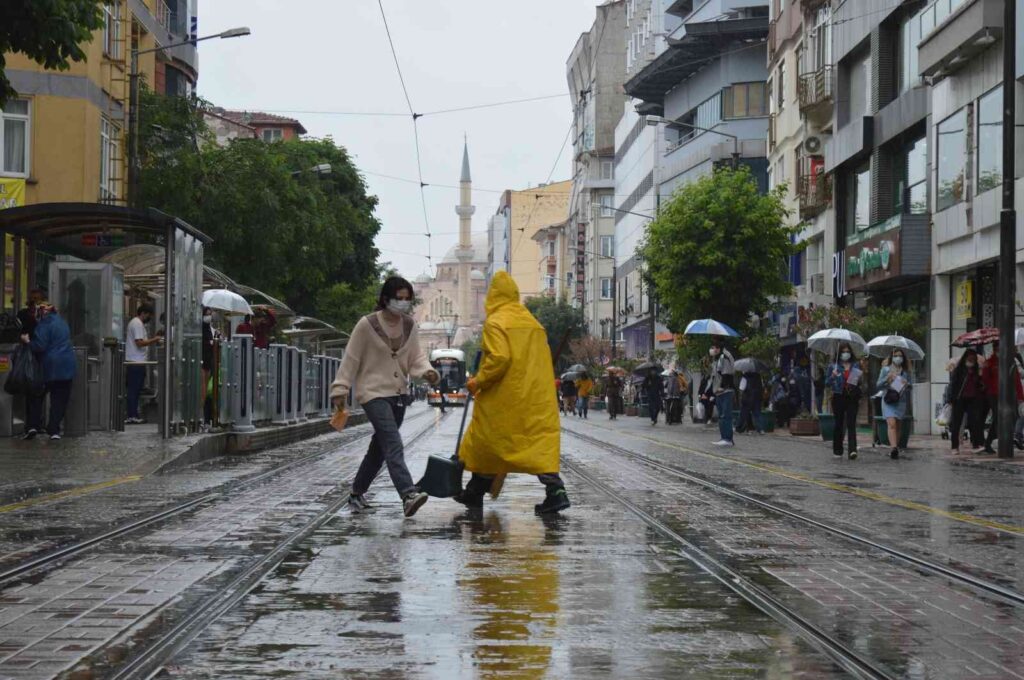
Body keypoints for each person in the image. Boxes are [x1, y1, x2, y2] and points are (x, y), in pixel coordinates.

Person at [456, 271, 570, 514]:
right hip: (536, 398)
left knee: (488, 441)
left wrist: (477, 382)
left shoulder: (496, 322)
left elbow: (499, 358)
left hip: (505, 398)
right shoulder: (533, 323)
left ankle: (475, 492)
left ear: (493, 296)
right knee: (537, 445)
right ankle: (556, 492)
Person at [330, 277, 439, 518]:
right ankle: (408, 494)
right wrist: (340, 389)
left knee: (379, 448)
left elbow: (416, 358)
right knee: (392, 441)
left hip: (398, 394)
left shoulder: (410, 325)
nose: (402, 303)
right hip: (372, 393)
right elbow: (351, 359)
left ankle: (356, 493)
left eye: (407, 299)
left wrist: (428, 372)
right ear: (386, 298)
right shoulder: (366, 324)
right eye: (398, 298)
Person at [21, 302, 75, 440]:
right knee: (59, 399)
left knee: (36, 394)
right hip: (66, 365)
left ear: (43, 313)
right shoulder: (63, 323)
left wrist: (27, 341)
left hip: (48, 365)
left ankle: (33, 426)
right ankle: (54, 429)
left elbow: (40, 346)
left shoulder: (44, 325)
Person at [980, 341, 1024, 453]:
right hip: (993, 394)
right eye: (997, 348)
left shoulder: (1010, 361)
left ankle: (993, 441)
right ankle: (995, 441)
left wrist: (1020, 396)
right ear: (994, 349)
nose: (999, 350)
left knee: (1013, 416)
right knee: (998, 418)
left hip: (1009, 395)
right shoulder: (989, 362)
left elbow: (1017, 380)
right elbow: (985, 380)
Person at [126, 303, 161, 424]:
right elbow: (139, 342)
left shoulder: (136, 323)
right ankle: (132, 415)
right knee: (134, 390)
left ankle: (134, 413)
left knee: (135, 390)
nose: (149, 318)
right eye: (148, 315)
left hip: (137, 361)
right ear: (144, 313)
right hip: (136, 361)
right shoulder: (137, 323)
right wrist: (154, 339)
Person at [826, 343, 862, 459]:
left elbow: (859, 382)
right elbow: (827, 383)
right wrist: (833, 376)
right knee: (839, 423)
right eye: (843, 352)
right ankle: (837, 450)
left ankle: (852, 450)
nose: (845, 354)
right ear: (839, 353)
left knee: (851, 423)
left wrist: (859, 378)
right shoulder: (833, 366)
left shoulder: (855, 365)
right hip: (838, 396)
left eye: (847, 351)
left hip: (852, 396)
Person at [948, 349, 985, 454]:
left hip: (973, 399)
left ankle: (976, 445)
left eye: (973, 358)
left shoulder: (976, 371)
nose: (971, 360)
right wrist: (951, 399)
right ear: (965, 358)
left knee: (974, 422)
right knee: (957, 424)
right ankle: (954, 447)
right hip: (959, 399)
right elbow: (953, 384)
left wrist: (981, 382)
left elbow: (979, 385)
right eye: (969, 358)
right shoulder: (959, 370)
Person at [877, 349, 912, 458]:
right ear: (891, 357)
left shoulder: (905, 372)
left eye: (900, 356)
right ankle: (893, 448)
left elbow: (910, 387)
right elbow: (878, 385)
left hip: (900, 401)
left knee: (898, 425)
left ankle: (895, 447)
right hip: (888, 400)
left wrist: (907, 384)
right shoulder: (885, 369)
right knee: (891, 423)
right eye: (896, 355)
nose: (898, 358)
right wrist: (887, 378)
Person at [710, 340, 736, 446]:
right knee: (722, 415)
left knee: (725, 415)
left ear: (719, 348)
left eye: (715, 347)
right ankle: (724, 438)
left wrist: (722, 386)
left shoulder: (724, 357)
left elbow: (727, 373)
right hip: (719, 392)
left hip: (725, 391)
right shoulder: (718, 358)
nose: (713, 350)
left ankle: (727, 439)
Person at [737, 369, 765, 435]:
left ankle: (741, 428)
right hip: (757, 397)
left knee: (744, 414)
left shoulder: (745, 377)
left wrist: (740, 397)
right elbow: (762, 386)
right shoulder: (758, 376)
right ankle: (760, 429)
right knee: (757, 414)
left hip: (747, 397)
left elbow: (741, 388)